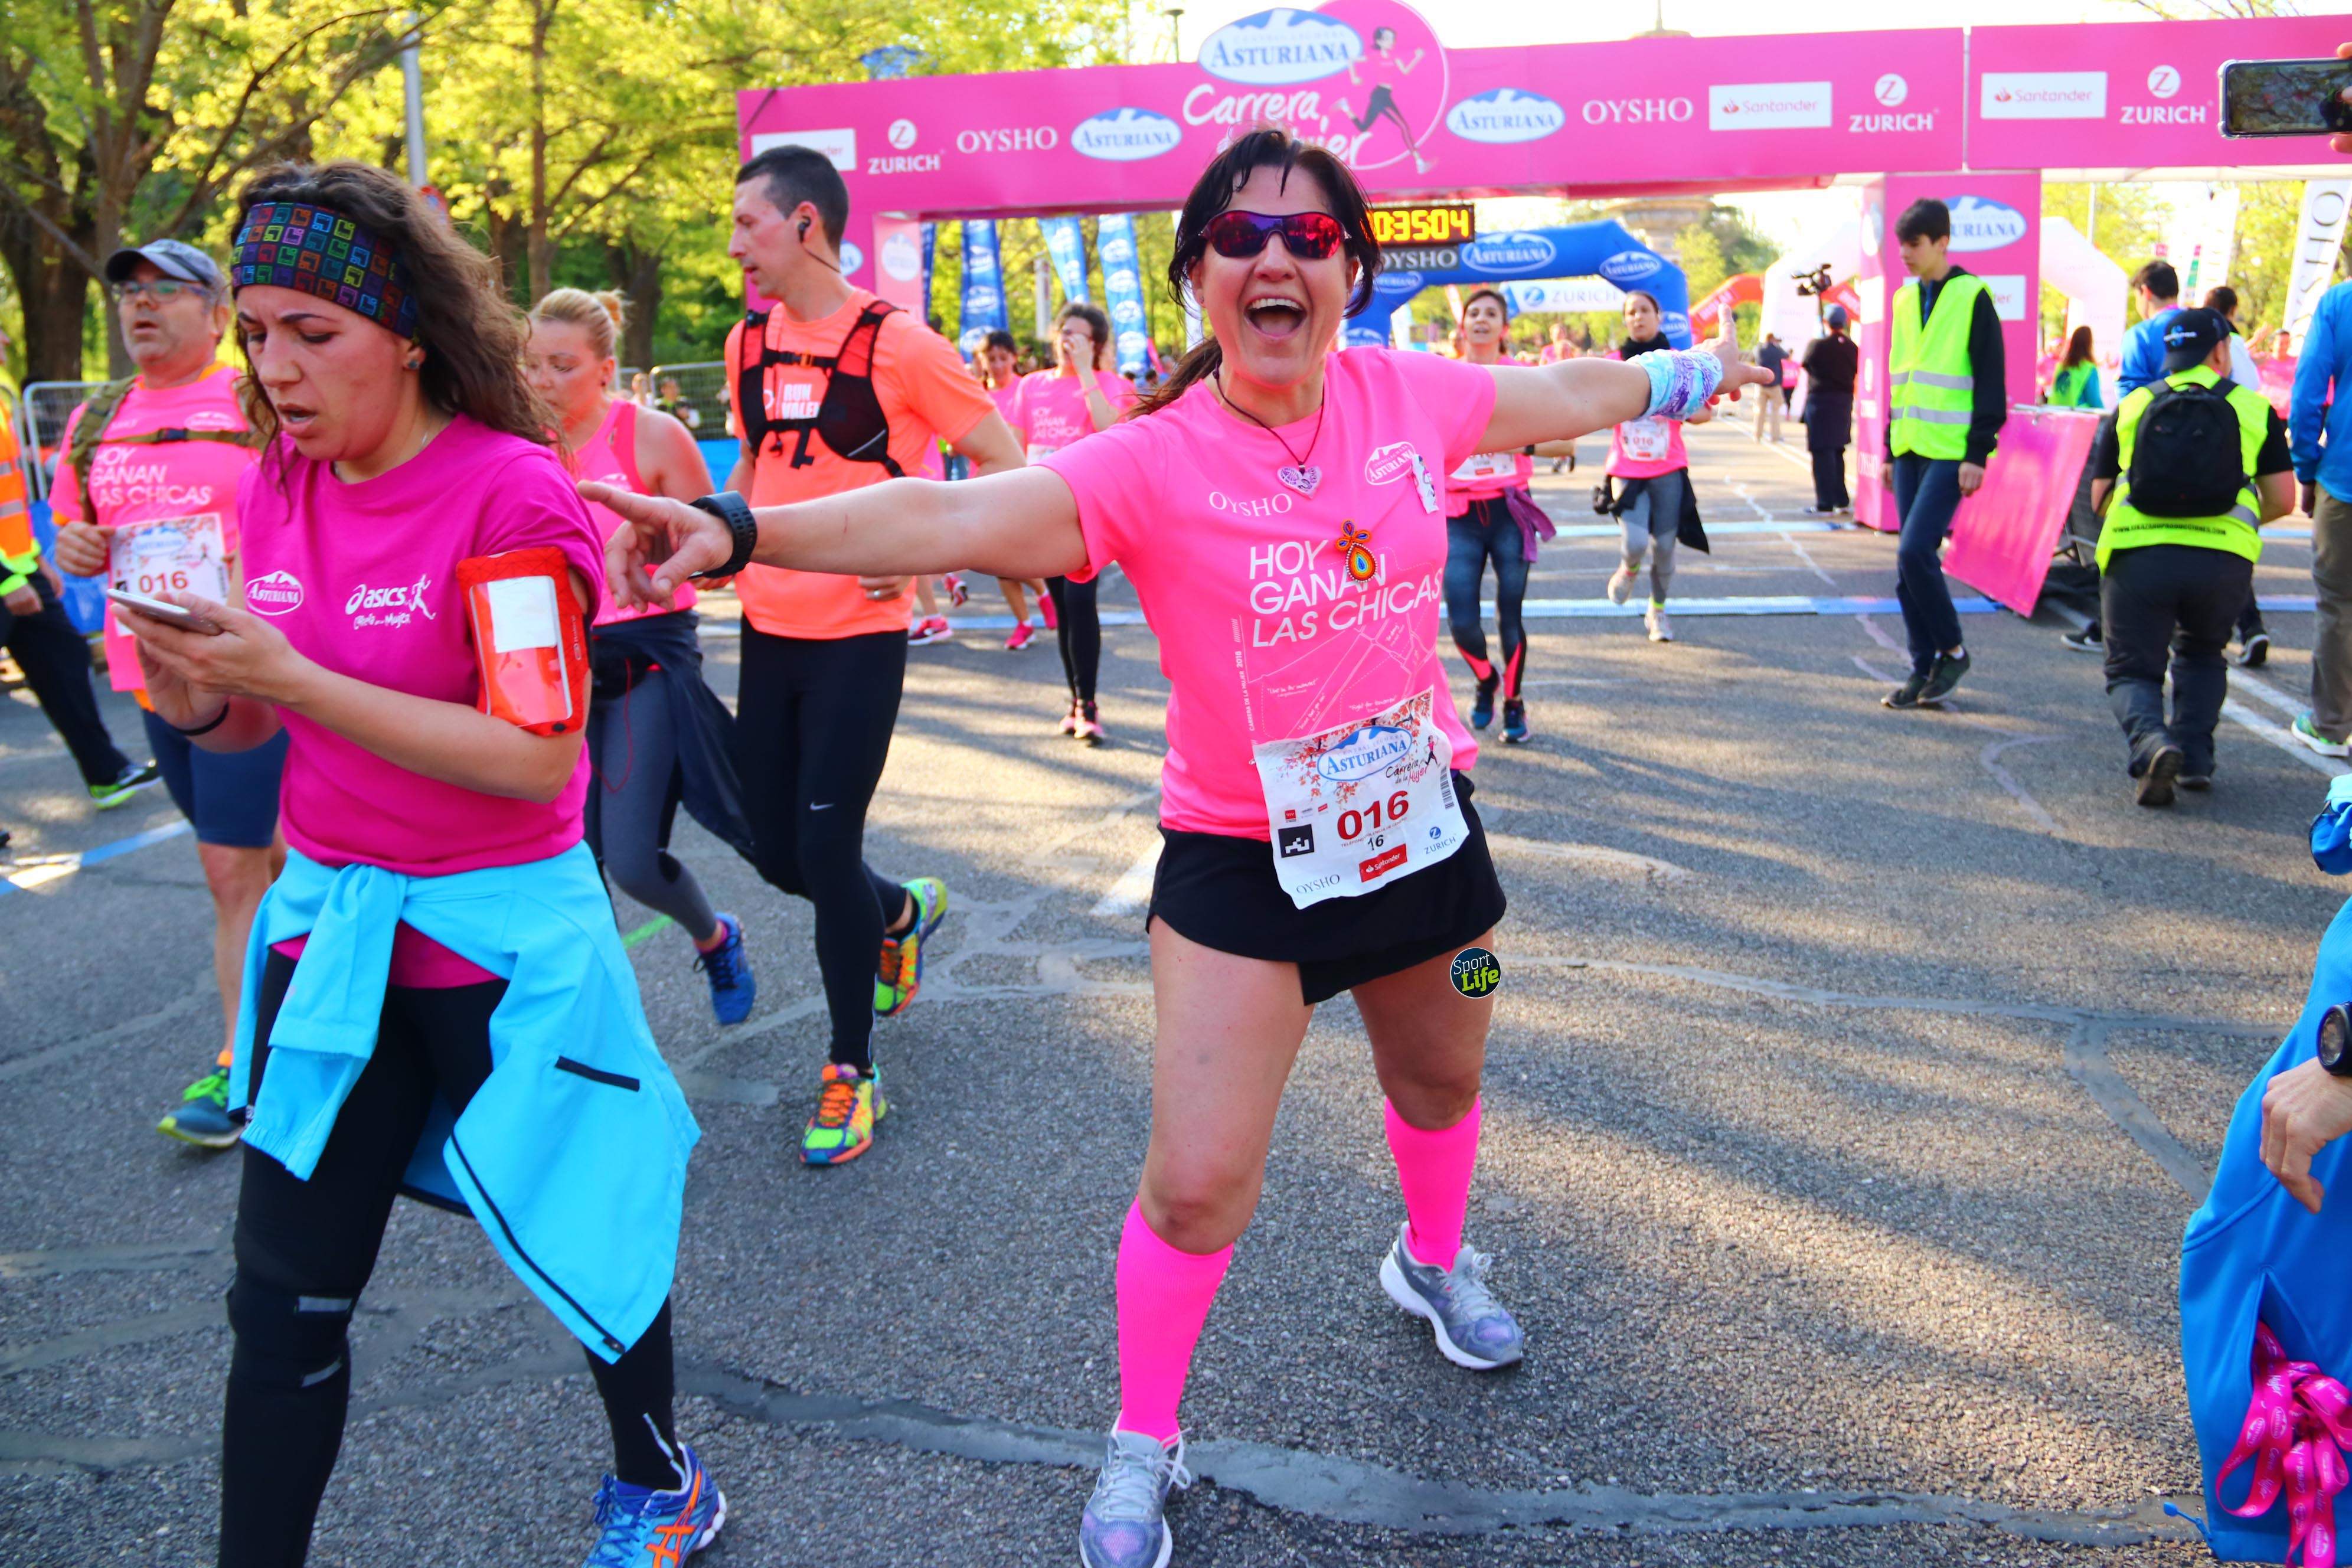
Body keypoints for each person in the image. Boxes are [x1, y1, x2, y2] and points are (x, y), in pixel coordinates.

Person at [588, 126, 1770, 1568]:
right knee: (1199, 1179)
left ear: (1350, 270)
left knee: (1444, 1066)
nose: (1275, 256)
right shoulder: (1149, 460)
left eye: (1311, 238)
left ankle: (1433, 1259)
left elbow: (1570, 389)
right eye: (1241, 236)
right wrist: (735, 525)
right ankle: (1145, 1436)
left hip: (1419, 834)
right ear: (1198, 271)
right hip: (1235, 861)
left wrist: (1691, 370)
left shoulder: (1413, 395)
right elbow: (952, 509)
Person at [113, 161, 720, 1567]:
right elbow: (247, 714)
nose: (276, 370)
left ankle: (660, 1475)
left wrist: (293, 680)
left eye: (310, 334)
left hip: (502, 941)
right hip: (332, 934)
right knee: (282, 1301)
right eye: (257, 332)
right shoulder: (277, 480)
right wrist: (186, 674)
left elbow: (531, 757)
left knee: (591, 1239)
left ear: (401, 329)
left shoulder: (510, 495)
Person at [721, 143, 1021, 1164]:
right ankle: (898, 909)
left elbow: (1001, 465)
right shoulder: (744, 342)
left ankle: (853, 1072)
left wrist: (926, 550)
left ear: (804, 224)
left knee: (818, 846)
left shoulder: (901, 344)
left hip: (857, 638)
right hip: (765, 630)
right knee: (774, 850)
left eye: (748, 225)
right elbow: (763, 472)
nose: (735, 247)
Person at [49, 237, 280, 1150]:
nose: (141, 306)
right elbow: (80, 529)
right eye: (128, 294)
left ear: (218, 314)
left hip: (250, 667)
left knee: (231, 868)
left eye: (165, 291)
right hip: (152, 678)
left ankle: (241, 1065)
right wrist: (77, 550)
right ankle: (313, 1007)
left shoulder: (256, 397)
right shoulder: (98, 417)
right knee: (262, 862)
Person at [526, 286, 757, 1025]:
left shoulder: (650, 436)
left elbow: (718, 555)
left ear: (605, 368)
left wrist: (656, 572)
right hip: (552, 665)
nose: (541, 381)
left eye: (561, 365)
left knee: (629, 860)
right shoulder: (513, 444)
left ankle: (715, 936)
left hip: (643, 659)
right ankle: (599, 1022)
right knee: (567, 861)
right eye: (530, 364)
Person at [2087, 308, 2294, 805]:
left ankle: (2152, 742)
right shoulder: (2253, 409)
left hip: (2138, 556)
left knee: (2132, 671)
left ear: (2169, 354)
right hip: (2221, 562)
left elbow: (2098, 498)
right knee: (2202, 654)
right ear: (2220, 351)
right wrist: (2232, 525)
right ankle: (2196, 759)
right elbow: (2284, 499)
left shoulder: (2134, 405)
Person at [0, 370, 159, 823]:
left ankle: (106, 771)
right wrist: (7, 581)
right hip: (6, 578)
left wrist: (32, 560)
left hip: (20, 566)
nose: (4, 341)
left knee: (66, 655)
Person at [1880, 197, 2004, 710]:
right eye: (1901, 244)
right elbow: (1899, 379)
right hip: (1909, 447)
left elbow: (1992, 380)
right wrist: (1888, 447)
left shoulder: (1973, 295)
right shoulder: (1905, 300)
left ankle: (1952, 649)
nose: (1905, 254)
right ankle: (1921, 667)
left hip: (1953, 452)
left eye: (1915, 244)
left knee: (1913, 552)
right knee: (1911, 563)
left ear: (1942, 243)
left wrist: (1979, 451)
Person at [1442, 288, 1564, 744]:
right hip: (1458, 515)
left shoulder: (1523, 377)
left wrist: (1497, 440)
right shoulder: (1444, 376)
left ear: (1503, 328)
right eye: (1474, 312)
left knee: (1510, 614)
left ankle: (1513, 702)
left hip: (1510, 508)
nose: (1481, 319)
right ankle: (1486, 680)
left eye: (1491, 313)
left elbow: (1564, 441)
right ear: (1463, 325)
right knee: (1461, 622)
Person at [1012, 301, 1136, 744]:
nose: (1069, 343)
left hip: (1087, 512)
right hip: (1039, 509)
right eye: (1065, 333)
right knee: (1064, 607)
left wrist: (1087, 374)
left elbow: (1113, 433)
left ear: (1097, 343)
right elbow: (1016, 445)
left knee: (1082, 602)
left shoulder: (1112, 385)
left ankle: (1088, 704)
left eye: (1081, 336)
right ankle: (1074, 701)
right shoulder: (1032, 386)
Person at [1601, 289, 1713, 645]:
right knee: (1634, 542)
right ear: (1625, 319)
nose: (1638, 317)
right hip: (1626, 469)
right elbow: (1591, 404)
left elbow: (1705, 412)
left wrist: (1679, 407)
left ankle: (1658, 611)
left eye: (1644, 311)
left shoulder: (1679, 362)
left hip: (1668, 468)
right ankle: (1628, 568)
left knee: (1665, 547)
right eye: (1631, 312)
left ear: (1658, 316)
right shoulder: (1613, 362)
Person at [2294, 274, 2352, 757]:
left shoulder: (2340, 301)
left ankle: (2332, 724)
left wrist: (2306, 470)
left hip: (2345, 479)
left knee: (2339, 605)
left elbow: (2309, 389)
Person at [2203, 286, 2273, 668]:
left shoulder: (2210, 344)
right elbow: (2280, 498)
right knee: (2230, 548)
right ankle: (2251, 629)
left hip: (2191, 465)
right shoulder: (2237, 347)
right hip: (2238, 463)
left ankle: (2241, 629)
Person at [977, 328, 1051, 650]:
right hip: (983, 485)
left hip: (1021, 486)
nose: (997, 365)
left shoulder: (1027, 389)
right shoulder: (975, 393)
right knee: (999, 563)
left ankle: (1041, 598)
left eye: (1003, 358)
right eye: (990, 359)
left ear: (1014, 359)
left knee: (1006, 560)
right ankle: (1029, 615)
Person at [1333, 26, 1432, 174]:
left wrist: (1418, 57)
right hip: (1379, 96)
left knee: (1363, 128)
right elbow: (1351, 60)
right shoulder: (1375, 56)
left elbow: (1405, 71)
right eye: (1387, 39)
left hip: (1386, 95)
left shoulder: (1394, 57)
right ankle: (1419, 162)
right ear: (1379, 41)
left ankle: (1346, 107)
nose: (1391, 42)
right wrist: (1354, 77)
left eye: (1392, 38)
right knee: (1404, 127)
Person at [1798, 304, 1857, 517]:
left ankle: (1825, 502)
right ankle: (1841, 499)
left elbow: (1806, 364)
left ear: (1825, 322)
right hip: (1843, 403)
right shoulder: (1851, 347)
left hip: (1821, 403)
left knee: (1822, 453)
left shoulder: (1818, 345)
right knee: (1838, 451)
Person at [2115, 260, 2181, 398]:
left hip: (2157, 417)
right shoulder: (2205, 327)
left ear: (2146, 292)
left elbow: (2130, 394)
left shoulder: (2140, 335)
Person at [2044, 325, 2103, 409]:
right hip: (2078, 416)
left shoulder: (2061, 366)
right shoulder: (2089, 368)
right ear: (2090, 344)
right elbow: (2095, 401)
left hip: (2056, 414)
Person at [1752, 332, 1788, 443]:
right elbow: (1786, 355)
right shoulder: (1776, 350)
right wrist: (1777, 345)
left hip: (1761, 384)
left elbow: (1755, 353)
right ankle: (1775, 436)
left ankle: (1757, 435)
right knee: (1775, 411)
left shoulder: (1759, 349)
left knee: (1759, 411)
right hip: (1774, 384)